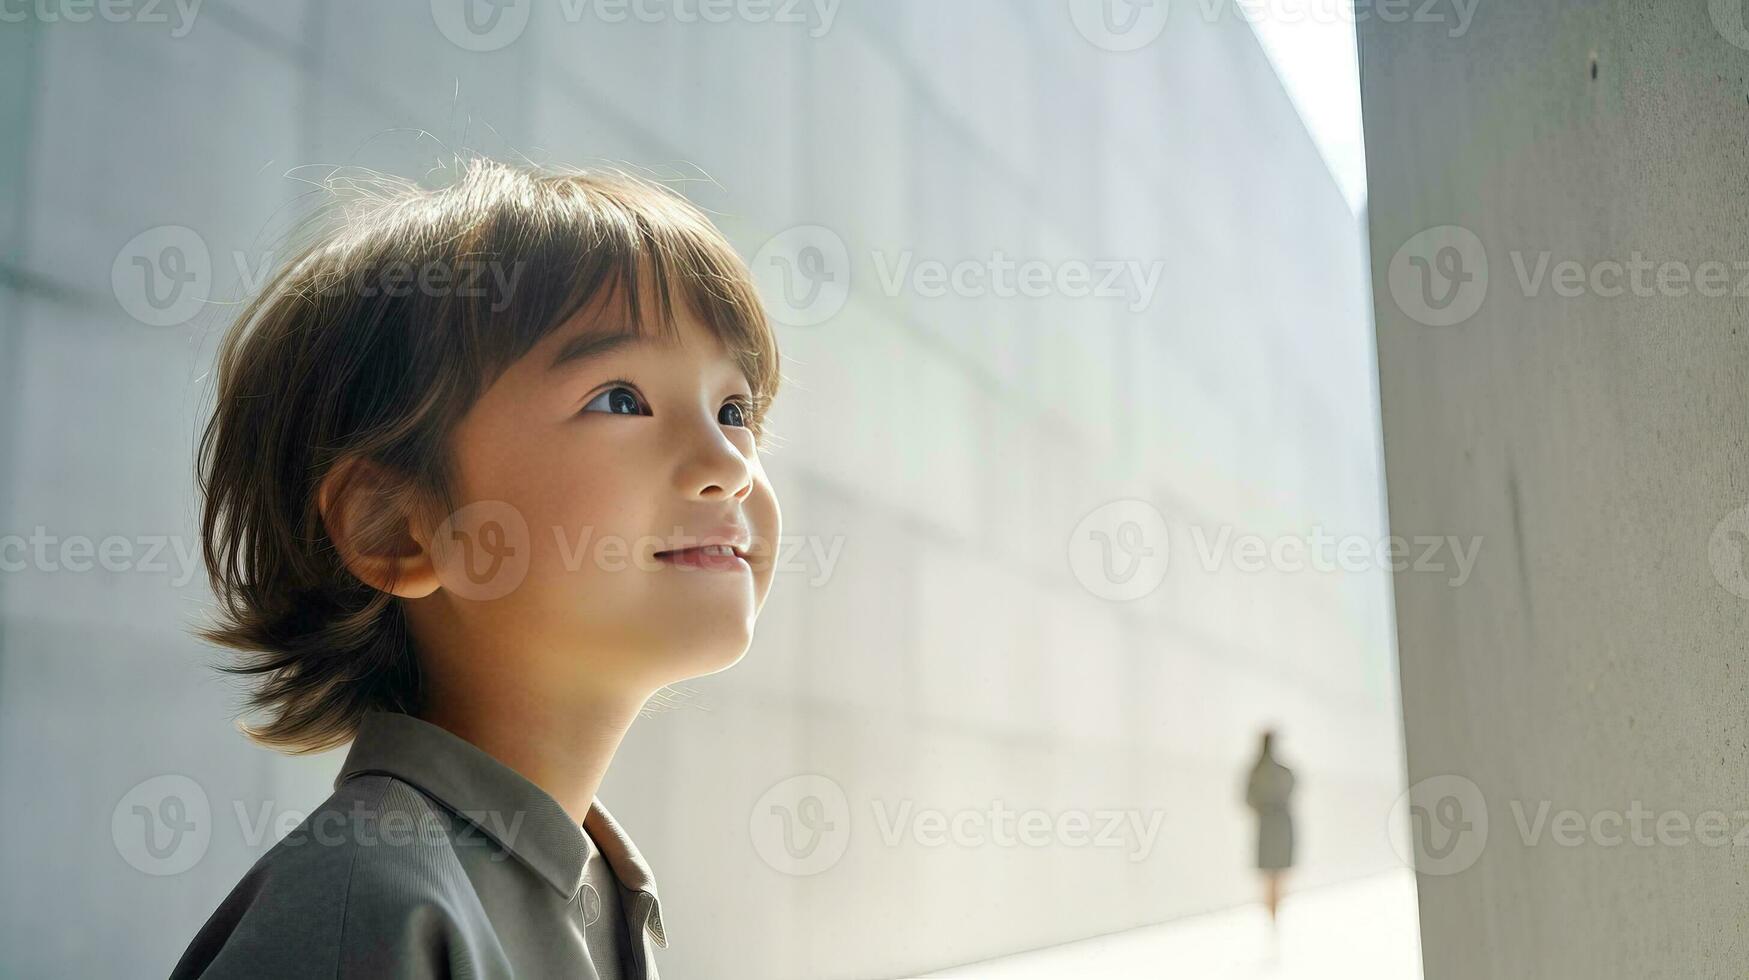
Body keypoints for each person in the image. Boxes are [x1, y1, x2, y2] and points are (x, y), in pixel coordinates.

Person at [169, 157, 784, 979]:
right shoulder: (371, 908)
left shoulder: (588, 882)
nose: (729, 463)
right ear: (397, 529)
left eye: (733, 409)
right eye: (620, 399)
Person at [1244, 728, 1296, 925]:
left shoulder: (1257, 772)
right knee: (1276, 878)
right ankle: (1274, 917)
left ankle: (1274, 917)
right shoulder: (1283, 772)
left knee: (1272, 878)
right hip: (1278, 827)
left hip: (1269, 827)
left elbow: (1248, 799)